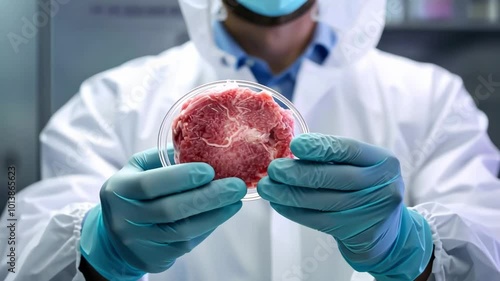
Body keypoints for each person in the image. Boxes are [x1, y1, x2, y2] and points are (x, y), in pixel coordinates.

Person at [1, 0, 500, 280]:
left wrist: (417, 249)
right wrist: (96, 250)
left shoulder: (430, 97)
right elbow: (10, 251)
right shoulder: (113, 100)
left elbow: (489, 239)